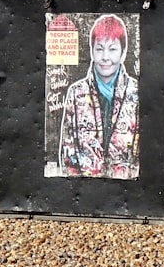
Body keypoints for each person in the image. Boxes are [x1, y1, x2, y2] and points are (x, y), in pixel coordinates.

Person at [59, 14, 140, 179]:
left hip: (127, 192)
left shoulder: (136, 92)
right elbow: (67, 152)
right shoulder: (76, 93)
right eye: (99, 48)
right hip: (85, 191)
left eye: (112, 49)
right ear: (91, 51)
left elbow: (141, 153)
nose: (105, 57)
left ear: (123, 53)